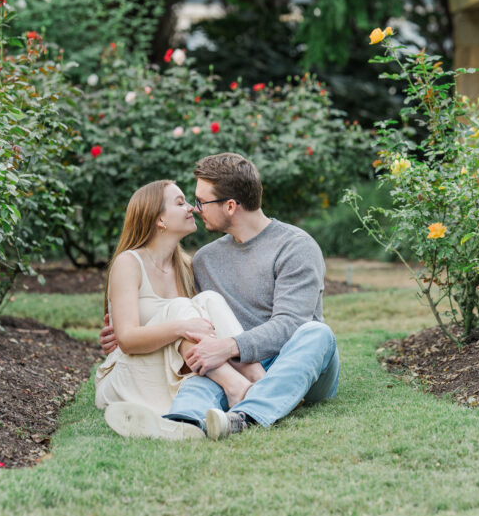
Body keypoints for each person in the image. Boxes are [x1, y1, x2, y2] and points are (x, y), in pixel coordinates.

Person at [102, 153, 339, 441]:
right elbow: (190, 319)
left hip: (295, 362)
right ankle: (183, 423)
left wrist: (228, 347)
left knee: (318, 333)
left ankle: (246, 414)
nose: (195, 208)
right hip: (238, 364)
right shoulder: (204, 260)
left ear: (229, 206)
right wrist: (125, 330)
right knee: (204, 370)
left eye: (201, 201)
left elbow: (290, 325)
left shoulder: (295, 247)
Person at [94, 179, 266, 439]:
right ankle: (238, 388)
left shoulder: (186, 267)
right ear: (159, 219)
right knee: (181, 309)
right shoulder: (128, 263)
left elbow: (203, 327)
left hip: (172, 369)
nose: (192, 208)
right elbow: (127, 340)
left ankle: (259, 380)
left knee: (209, 299)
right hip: (128, 374)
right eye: (180, 203)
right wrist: (180, 327)